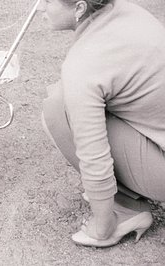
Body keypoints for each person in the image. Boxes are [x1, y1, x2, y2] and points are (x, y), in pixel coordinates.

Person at [38, 0, 165, 247]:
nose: (39, 7)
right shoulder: (126, 11)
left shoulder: (85, 63)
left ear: (79, 9)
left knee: (56, 110)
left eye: (48, 1)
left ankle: (127, 210)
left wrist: (102, 225)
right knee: (71, 98)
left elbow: (93, 155)